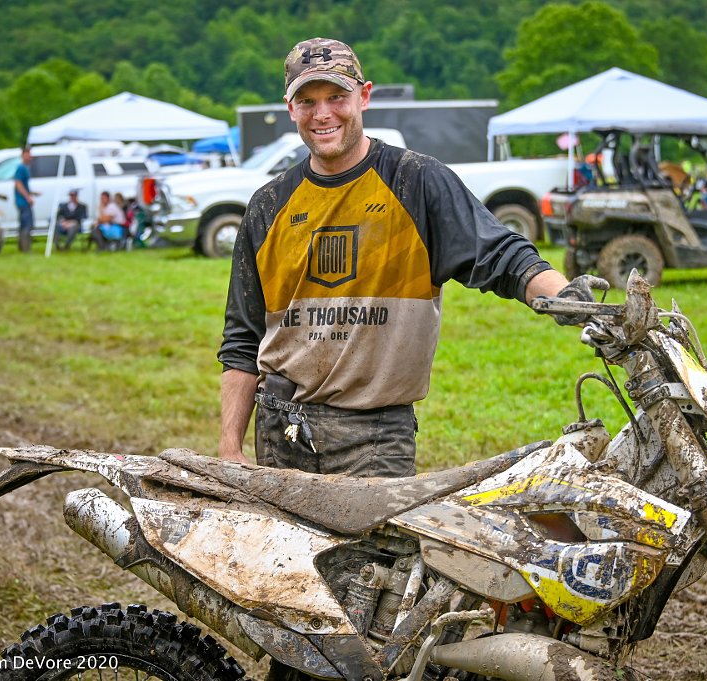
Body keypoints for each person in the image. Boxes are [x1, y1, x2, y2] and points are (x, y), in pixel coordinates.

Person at [218, 36, 588, 679]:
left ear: (364, 97)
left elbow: (500, 256)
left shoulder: (416, 182)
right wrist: (230, 448)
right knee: (296, 622)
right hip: (283, 434)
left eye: (336, 96)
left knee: (368, 623)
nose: (323, 113)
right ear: (290, 109)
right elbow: (242, 339)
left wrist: (571, 301)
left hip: (374, 434)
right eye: (308, 101)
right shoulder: (268, 206)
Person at [14, 146, 36, 252]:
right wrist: (27, 197)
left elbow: (23, 185)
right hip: (22, 201)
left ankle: (21, 248)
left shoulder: (25, 168)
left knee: (23, 224)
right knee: (27, 224)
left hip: (23, 200)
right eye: (27, 154)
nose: (29, 157)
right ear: (23, 155)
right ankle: (26, 248)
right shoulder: (21, 168)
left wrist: (32, 193)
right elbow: (18, 183)